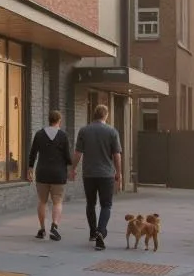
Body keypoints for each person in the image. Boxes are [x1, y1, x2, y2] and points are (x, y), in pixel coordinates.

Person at [76, 103, 122, 249]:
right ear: (106, 115)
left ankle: (92, 232)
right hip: (106, 174)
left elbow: (78, 153)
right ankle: (101, 232)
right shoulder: (112, 131)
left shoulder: (84, 131)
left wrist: (72, 168)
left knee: (90, 203)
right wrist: (118, 172)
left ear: (94, 115)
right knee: (106, 205)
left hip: (89, 174)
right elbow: (117, 155)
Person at [26, 107, 74, 240]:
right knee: (57, 202)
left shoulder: (39, 134)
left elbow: (33, 153)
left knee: (42, 201)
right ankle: (54, 226)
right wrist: (70, 169)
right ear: (59, 120)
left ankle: (42, 229)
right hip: (58, 173)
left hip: (42, 172)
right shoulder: (63, 136)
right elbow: (67, 156)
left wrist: (30, 168)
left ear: (49, 120)